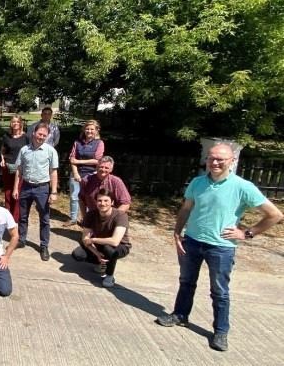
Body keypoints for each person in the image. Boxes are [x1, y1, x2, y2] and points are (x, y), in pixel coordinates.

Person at [155, 144, 283, 352]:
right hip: (193, 242)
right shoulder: (197, 182)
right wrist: (177, 232)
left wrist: (247, 233)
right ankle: (180, 315)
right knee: (186, 282)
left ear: (232, 161)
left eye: (220, 159)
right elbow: (186, 208)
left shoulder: (243, 187)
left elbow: (275, 215)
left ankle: (221, 331)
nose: (214, 162)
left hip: (221, 248)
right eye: (211, 158)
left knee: (219, 292)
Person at [13, 123, 59, 261]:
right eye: (40, 134)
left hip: (42, 188)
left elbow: (53, 172)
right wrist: (16, 187)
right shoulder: (24, 150)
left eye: (44, 135)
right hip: (26, 186)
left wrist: (54, 192)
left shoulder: (50, 151)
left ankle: (44, 246)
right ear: (34, 133)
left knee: (44, 219)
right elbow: (19, 170)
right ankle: (21, 239)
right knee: (22, 216)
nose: (41, 137)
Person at [71, 189, 131, 288]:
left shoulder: (120, 216)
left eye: (106, 201)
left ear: (112, 202)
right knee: (77, 254)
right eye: (99, 200)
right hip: (100, 245)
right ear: (96, 202)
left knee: (108, 249)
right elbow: (85, 239)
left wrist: (93, 240)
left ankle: (109, 275)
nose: (102, 203)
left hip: (120, 246)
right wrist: (97, 253)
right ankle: (101, 262)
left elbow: (115, 241)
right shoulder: (91, 215)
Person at [66, 120, 104, 226]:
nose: (89, 131)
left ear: (96, 130)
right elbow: (72, 158)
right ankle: (73, 218)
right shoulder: (77, 142)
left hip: (91, 174)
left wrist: (79, 161)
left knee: (89, 197)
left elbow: (97, 160)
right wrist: (75, 173)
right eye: (87, 129)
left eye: (92, 129)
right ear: (84, 130)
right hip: (76, 173)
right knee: (74, 196)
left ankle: (86, 219)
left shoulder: (99, 143)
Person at [79, 156, 131, 221]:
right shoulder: (86, 181)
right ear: (96, 167)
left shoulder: (116, 182)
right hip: (93, 217)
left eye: (106, 168)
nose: (103, 170)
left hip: (112, 217)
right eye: (101, 167)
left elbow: (126, 203)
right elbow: (81, 199)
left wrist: (113, 217)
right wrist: (84, 217)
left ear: (111, 169)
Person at [0, 115, 29, 222]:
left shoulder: (26, 137)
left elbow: (29, 152)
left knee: (18, 191)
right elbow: (2, 150)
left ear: (21, 123)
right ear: (11, 124)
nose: (15, 123)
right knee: (8, 191)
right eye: (13, 122)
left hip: (20, 168)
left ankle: (15, 217)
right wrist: (2, 160)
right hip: (7, 166)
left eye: (17, 122)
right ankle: (7, 213)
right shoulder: (6, 136)